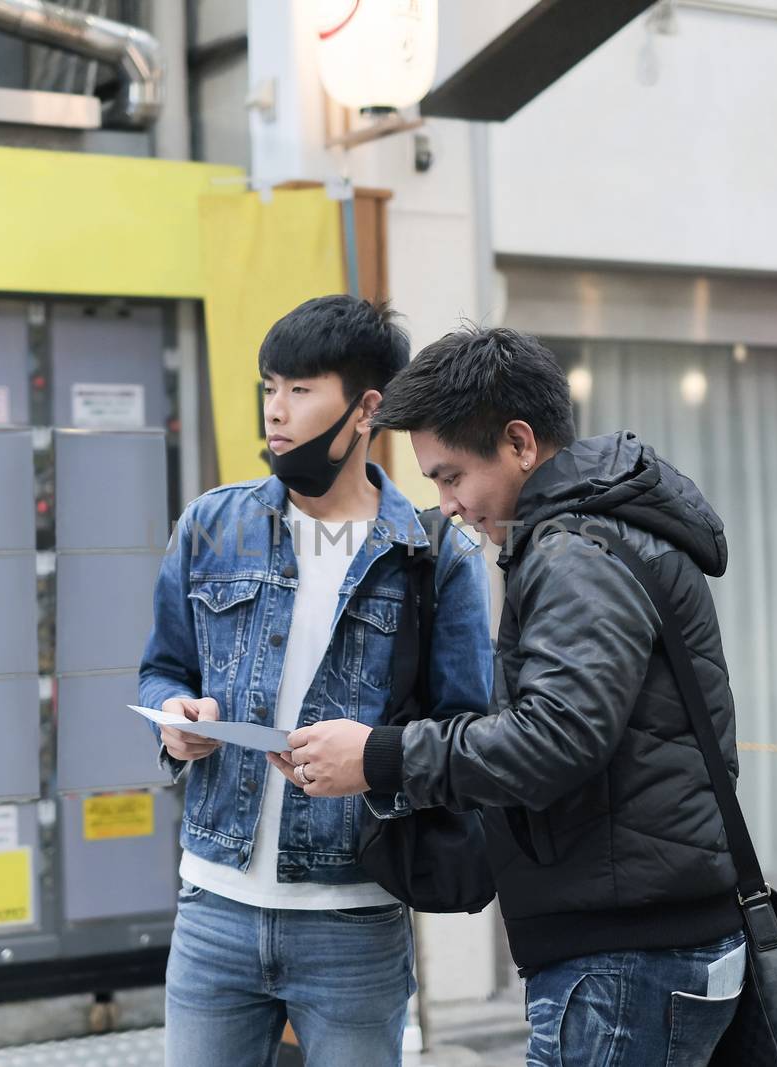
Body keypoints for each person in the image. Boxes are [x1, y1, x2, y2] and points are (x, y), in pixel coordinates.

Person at [282, 326, 747, 1067]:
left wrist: (381, 755)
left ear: (522, 444)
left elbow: (556, 738)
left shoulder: (574, 551)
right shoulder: (600, 529)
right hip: (646, 936)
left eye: (452, 476)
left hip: (623, 954)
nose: (449, 504)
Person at [138, 295, 494, 1067]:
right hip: (213, 908)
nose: (276, 411)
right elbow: (163, 665)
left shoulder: (433, 556)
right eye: (270, 387)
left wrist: (372, 760)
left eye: (300, 390)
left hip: (354, 920)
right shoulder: (210, 525)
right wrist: (175, 717)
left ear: (366, 408)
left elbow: (468, 736)